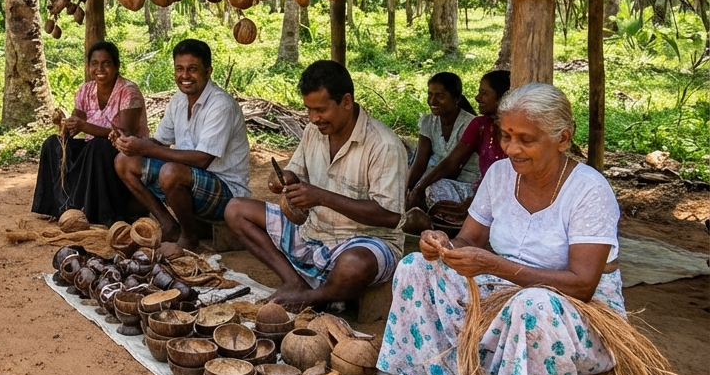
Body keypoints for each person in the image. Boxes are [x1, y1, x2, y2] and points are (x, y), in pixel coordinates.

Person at [378, 83, 623, 375]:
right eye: (507, 136)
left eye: (527, 139)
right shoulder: (499, 175)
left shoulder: (589, 191)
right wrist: (442, 245)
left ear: (562, 139)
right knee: (415, 267)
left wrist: (496, 265)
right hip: (507, 293)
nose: (512, 149)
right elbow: (469, 240)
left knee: (531, 306)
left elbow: (582, 285)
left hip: (576, 315)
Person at [223, 60, 407, 309]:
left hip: (364, 241)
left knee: (355, 264)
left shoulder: (384, 144)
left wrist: (321, 197)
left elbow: (390, 216)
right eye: (308, 110)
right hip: (313, 232)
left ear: (347, 102)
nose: (313, 118)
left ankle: (314, 297)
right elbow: (295, 172)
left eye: (320, 110)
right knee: (236, 209)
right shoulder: (314, 131)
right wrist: (284, 179)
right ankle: (294, 282)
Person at [112, 39, 250, 250]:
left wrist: (146, 148)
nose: (185, 76)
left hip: (227, 192)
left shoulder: (221, 105)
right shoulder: (178, 100)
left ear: (208, 71)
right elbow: (158, 142)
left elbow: (202, 160)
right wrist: (130, 141)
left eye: (192, 69)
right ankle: (169, 226)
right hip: (192, 180)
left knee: (171, 172)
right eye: (180, 69)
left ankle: (189, 238)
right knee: (124, 161)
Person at [32, 41, 147, 226]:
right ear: (89, 66)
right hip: (94, 153)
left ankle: (103, 213)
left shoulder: (128, 92)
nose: (99, 68)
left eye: (106, 63)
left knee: (98, 146)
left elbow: (125, 134)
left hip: (123, 154)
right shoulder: (85, 90)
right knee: (52, 143)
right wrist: (62, 124)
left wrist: (85, 127)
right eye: (94, 63)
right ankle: (63, 208)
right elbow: (73, 128)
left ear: (116, 66)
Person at [401, 69, 511, 234]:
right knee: (435, 187)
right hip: (482, 192)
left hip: (510, 197)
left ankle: (452, 225)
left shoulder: (514, 127)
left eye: (484, 93)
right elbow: (451, 163)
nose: (477, 98)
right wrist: (415, 189)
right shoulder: (480, 125)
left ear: (503, 98)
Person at [405, 72, 479, 208]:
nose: (432, 101)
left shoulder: (471, 124)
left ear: (457, 98)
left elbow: (452, 167)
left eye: (440, 96)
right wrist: (406, 189)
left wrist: (420, 188)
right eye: (430, 94)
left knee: (433, 189)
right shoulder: (428, 122)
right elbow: (420, 163)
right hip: (436, 178)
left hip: (463, 183)